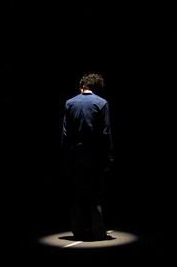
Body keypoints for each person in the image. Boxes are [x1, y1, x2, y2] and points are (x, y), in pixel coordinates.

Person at [62, 72, 114, 241]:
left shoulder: (70, 103)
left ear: (82, 86)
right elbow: (105, 133)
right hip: (95, 156)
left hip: (76, 157)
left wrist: (66, 157)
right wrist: (108, 157)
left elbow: (66, 133)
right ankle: (98, 231)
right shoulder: (102, 103)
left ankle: (78, 230)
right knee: (96, 195)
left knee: (77, 194)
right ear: (96, 87)